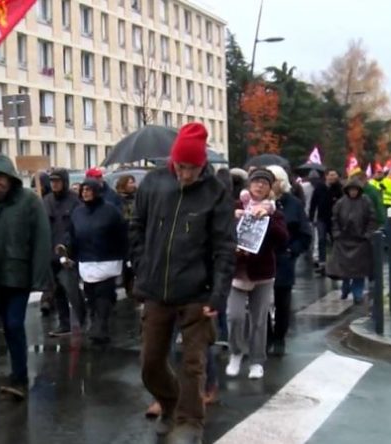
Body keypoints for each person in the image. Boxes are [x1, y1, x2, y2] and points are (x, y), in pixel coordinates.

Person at [130, 122, 235, 441]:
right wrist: (142, 265)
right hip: (156, 290)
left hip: (197, 294)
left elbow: (224, 247)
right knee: (150, 362)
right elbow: (136, 227)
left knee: (193, 364)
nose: (186, 174)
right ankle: (170, 403)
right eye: (181, 166)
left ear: (202, 164)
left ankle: (190, 422)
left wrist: (217, 295)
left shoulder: (215, 192)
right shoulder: (153, 184)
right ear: (173, 161)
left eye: (192, 168)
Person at [0, 155, 52, 400]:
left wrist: (39, 276)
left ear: (11, 180)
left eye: (1, 178)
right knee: (7, 326)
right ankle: (17, 374)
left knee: (15, 324)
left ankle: (20, 379)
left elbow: (42, 239)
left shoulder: (29, 202)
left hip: (19, 276)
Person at [226, 168, 288, 380]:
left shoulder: (274, 211)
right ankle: (235, 352)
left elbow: (282, 239)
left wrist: (268, 220)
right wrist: (232, 219)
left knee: (259, 320)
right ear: (248, 185)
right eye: (255, 182)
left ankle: (256, 361)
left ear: (270, 188)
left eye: (264, 183)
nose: (259, 186)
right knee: (233, 316)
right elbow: (219, 232)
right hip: (237, 271)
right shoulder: (235, 207)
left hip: (262, 273)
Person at [60, 178, 128, 343]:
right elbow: (72, 234)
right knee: (90, 293)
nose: (85, 193)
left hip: (108, 259)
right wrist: (67, 250)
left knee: (103, 294)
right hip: (86, 259)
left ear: (96, 192)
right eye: (83, 190)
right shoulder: (78, 212)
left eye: (89, 190)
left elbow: (123, 233)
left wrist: (126, 255)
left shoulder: (110, 211)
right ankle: (95, 320)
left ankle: (101, 326)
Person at [266, 166, 312, 357]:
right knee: (261, 304)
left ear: (281, 182)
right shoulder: (258, 203)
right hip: (262, 260)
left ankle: (279, 338)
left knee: (282, 301)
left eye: (273, 180)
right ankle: (265, 337)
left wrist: (292, 251)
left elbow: (305, 233)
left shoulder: (293, 204)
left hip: (283, 259)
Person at [44, 169, 85, 337]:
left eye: (57, 181)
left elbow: (79, 226)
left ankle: (83, 319)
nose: (54, 184)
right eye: (52, 181)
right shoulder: (46, 201)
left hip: (69, 253)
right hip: (50, 252)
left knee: (72, 290)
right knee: (57, 290)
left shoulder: (75, 202)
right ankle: (64, 323)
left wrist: (70, 248)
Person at [326, 179, 376, 303]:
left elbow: (372, 218)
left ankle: (357, 293)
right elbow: (334, 219)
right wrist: (336, 233)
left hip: (361, 241)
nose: (353, 192)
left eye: (355, 190)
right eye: (351, 190)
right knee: (345, 269)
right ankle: (345, 287)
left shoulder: (366, 202)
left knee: (359, 270)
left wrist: (367, 234)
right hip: (344, 240)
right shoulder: (341, 203)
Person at [309, 169, 343, 274]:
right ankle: (322, 263)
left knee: (335, 240)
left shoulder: (339, 188)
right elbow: (313, 202)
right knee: (321, 239)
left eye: (334, 175)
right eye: (330, 175)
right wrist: (311, 216)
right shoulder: (319, 188)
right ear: (326, 176)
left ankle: (336, 262)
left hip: (334, 219)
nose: (332, 177)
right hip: (321, 218)